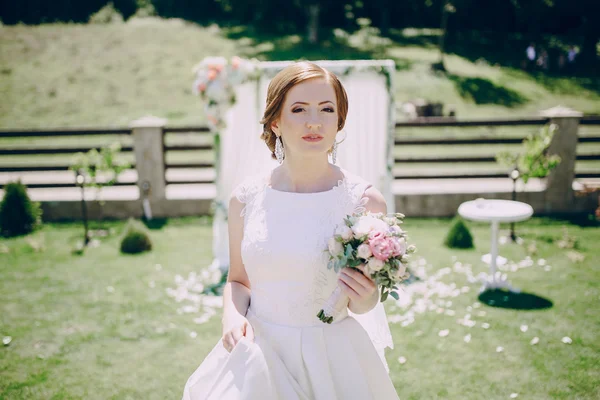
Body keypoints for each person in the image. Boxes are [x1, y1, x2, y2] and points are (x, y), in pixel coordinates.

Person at [182, 62, 399, 399]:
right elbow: (238, 281)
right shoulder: (244, 199)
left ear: (339, 121)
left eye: (327, 109)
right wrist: (230, 317)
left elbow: (363, 304)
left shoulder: (364, 201)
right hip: (259, 355)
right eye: (299, 109)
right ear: (276, 121)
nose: (314, 121)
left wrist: (367, 295)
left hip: (333, 359)